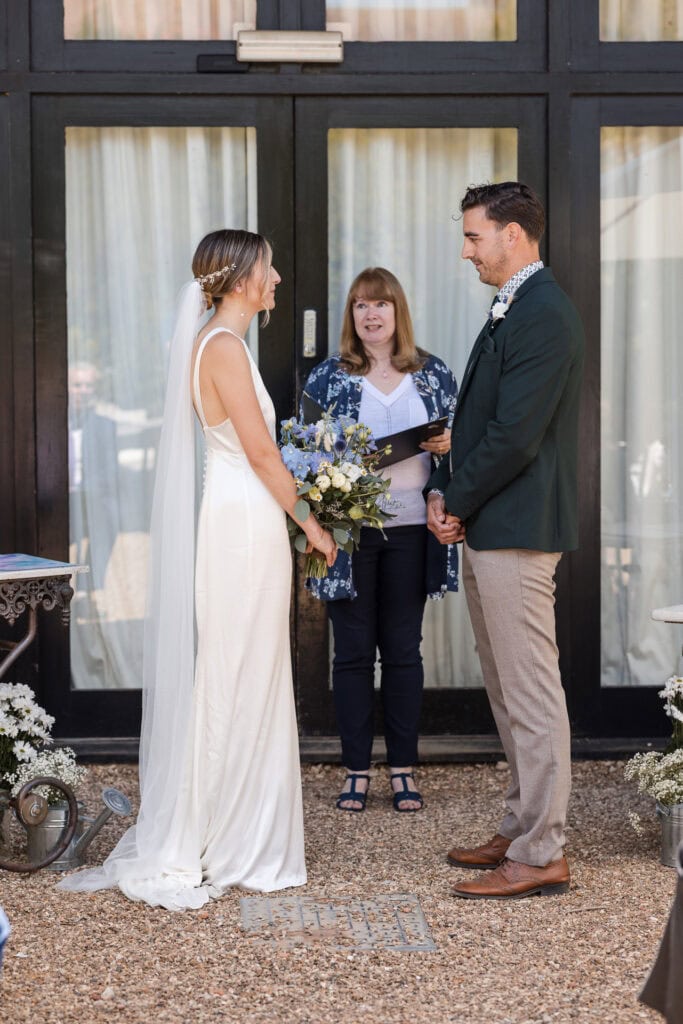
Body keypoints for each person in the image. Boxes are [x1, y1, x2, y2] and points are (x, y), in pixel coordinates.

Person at [58, 229, 336, 910]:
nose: (275, 278)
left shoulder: (215, 345)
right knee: (237, 669)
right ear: (242, 279)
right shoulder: (222, 350)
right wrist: (311, 523)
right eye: (268, 267)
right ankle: (226, 835)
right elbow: (264, 457)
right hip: (243, 522)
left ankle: (235, 828)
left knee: (244, 667)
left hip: (238, 516)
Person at [427, 182, 584, 899]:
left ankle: (543, 850)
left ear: (512, 236)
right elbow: (491, 418)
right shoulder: (514, 306)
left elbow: (517, 435)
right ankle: (521, 825)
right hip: (492, 522)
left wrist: (454, 499)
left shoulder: (543, 311)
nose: (465, 251)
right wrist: (451, 482)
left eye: (472, 237)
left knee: (531, 693)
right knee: (506, 689)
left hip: (517, 527)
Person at [304, 267, 458, 813]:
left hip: (415, 529)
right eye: (361, 306)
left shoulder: (433, 374)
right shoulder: (328, 378)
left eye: (381, 305)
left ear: (399, 313)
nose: (370, 315)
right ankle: (354, 770)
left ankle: (402, 768)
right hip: (350, 537)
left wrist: (444, 446)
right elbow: (305, 455)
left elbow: (461, 453)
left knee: (402, 652)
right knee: (350, 655)